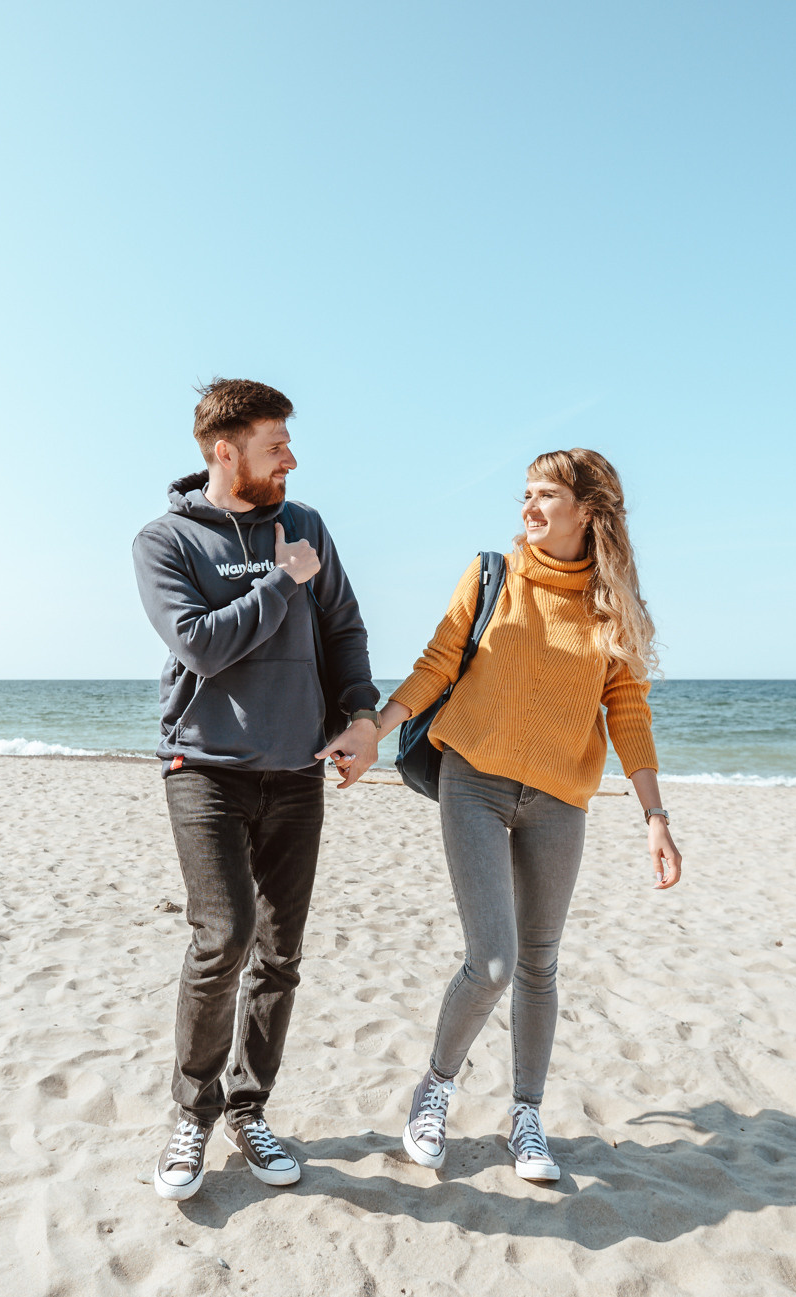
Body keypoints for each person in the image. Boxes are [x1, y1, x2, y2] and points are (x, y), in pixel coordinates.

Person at [333, 447, 682, 1183]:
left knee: (540, 963)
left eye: (545, 495)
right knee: (491, 960)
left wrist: (654, 814)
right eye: (525, 493)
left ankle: (527, 1113)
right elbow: (437, 661)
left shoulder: (610, 602)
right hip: (476, 784)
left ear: (587, 510)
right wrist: (376, 727)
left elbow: (627, 710)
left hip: (560, 800)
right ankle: (435, 1086)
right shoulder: (495, 573)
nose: (528, 508)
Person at [131, 378, 381, 1202]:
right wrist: (281, 583)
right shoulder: (165, 541)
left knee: (280, 951)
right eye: (277, 446)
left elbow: (342, 627)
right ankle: (192, 1112)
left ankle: (248, 1105)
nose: (292, 460)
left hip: (297, 770)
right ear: (225, 451)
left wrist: (360, 715)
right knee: (222, 937)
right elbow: (201, 648)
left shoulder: (304, 526)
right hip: (203, 768)